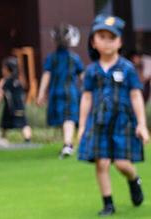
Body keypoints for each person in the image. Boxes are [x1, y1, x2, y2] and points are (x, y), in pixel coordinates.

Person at [78, 15, 148, 216]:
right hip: (99, 123)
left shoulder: (127, 68)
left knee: (122, 163)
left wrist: (141, 124)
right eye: (101, 36)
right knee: (102, 162)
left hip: (123, 123)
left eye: (112, 37)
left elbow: (135, 96)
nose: (107, 42)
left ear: (120, 42)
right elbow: (87, 98)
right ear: (93, 41)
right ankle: (108, 203)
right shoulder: (91, 71)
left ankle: (133, 179)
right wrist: (82, 125)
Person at [37, 23, 85, 158]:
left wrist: (41, 93)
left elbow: (46, 76)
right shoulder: (74, 58)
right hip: (71, 92)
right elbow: (83, 76)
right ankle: (68, 144)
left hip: (55, 93)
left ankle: (67, 143)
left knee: (63, 118)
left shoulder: (51, 58)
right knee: (69, 118)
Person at [0, 56, 31, 143]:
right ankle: (28, 140)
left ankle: (1, 139)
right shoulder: (19, 81)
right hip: (20, 107)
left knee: (4, 125)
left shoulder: (4, 81)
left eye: (3, 68)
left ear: (6, 69)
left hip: (10, 108)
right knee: (23, 124)